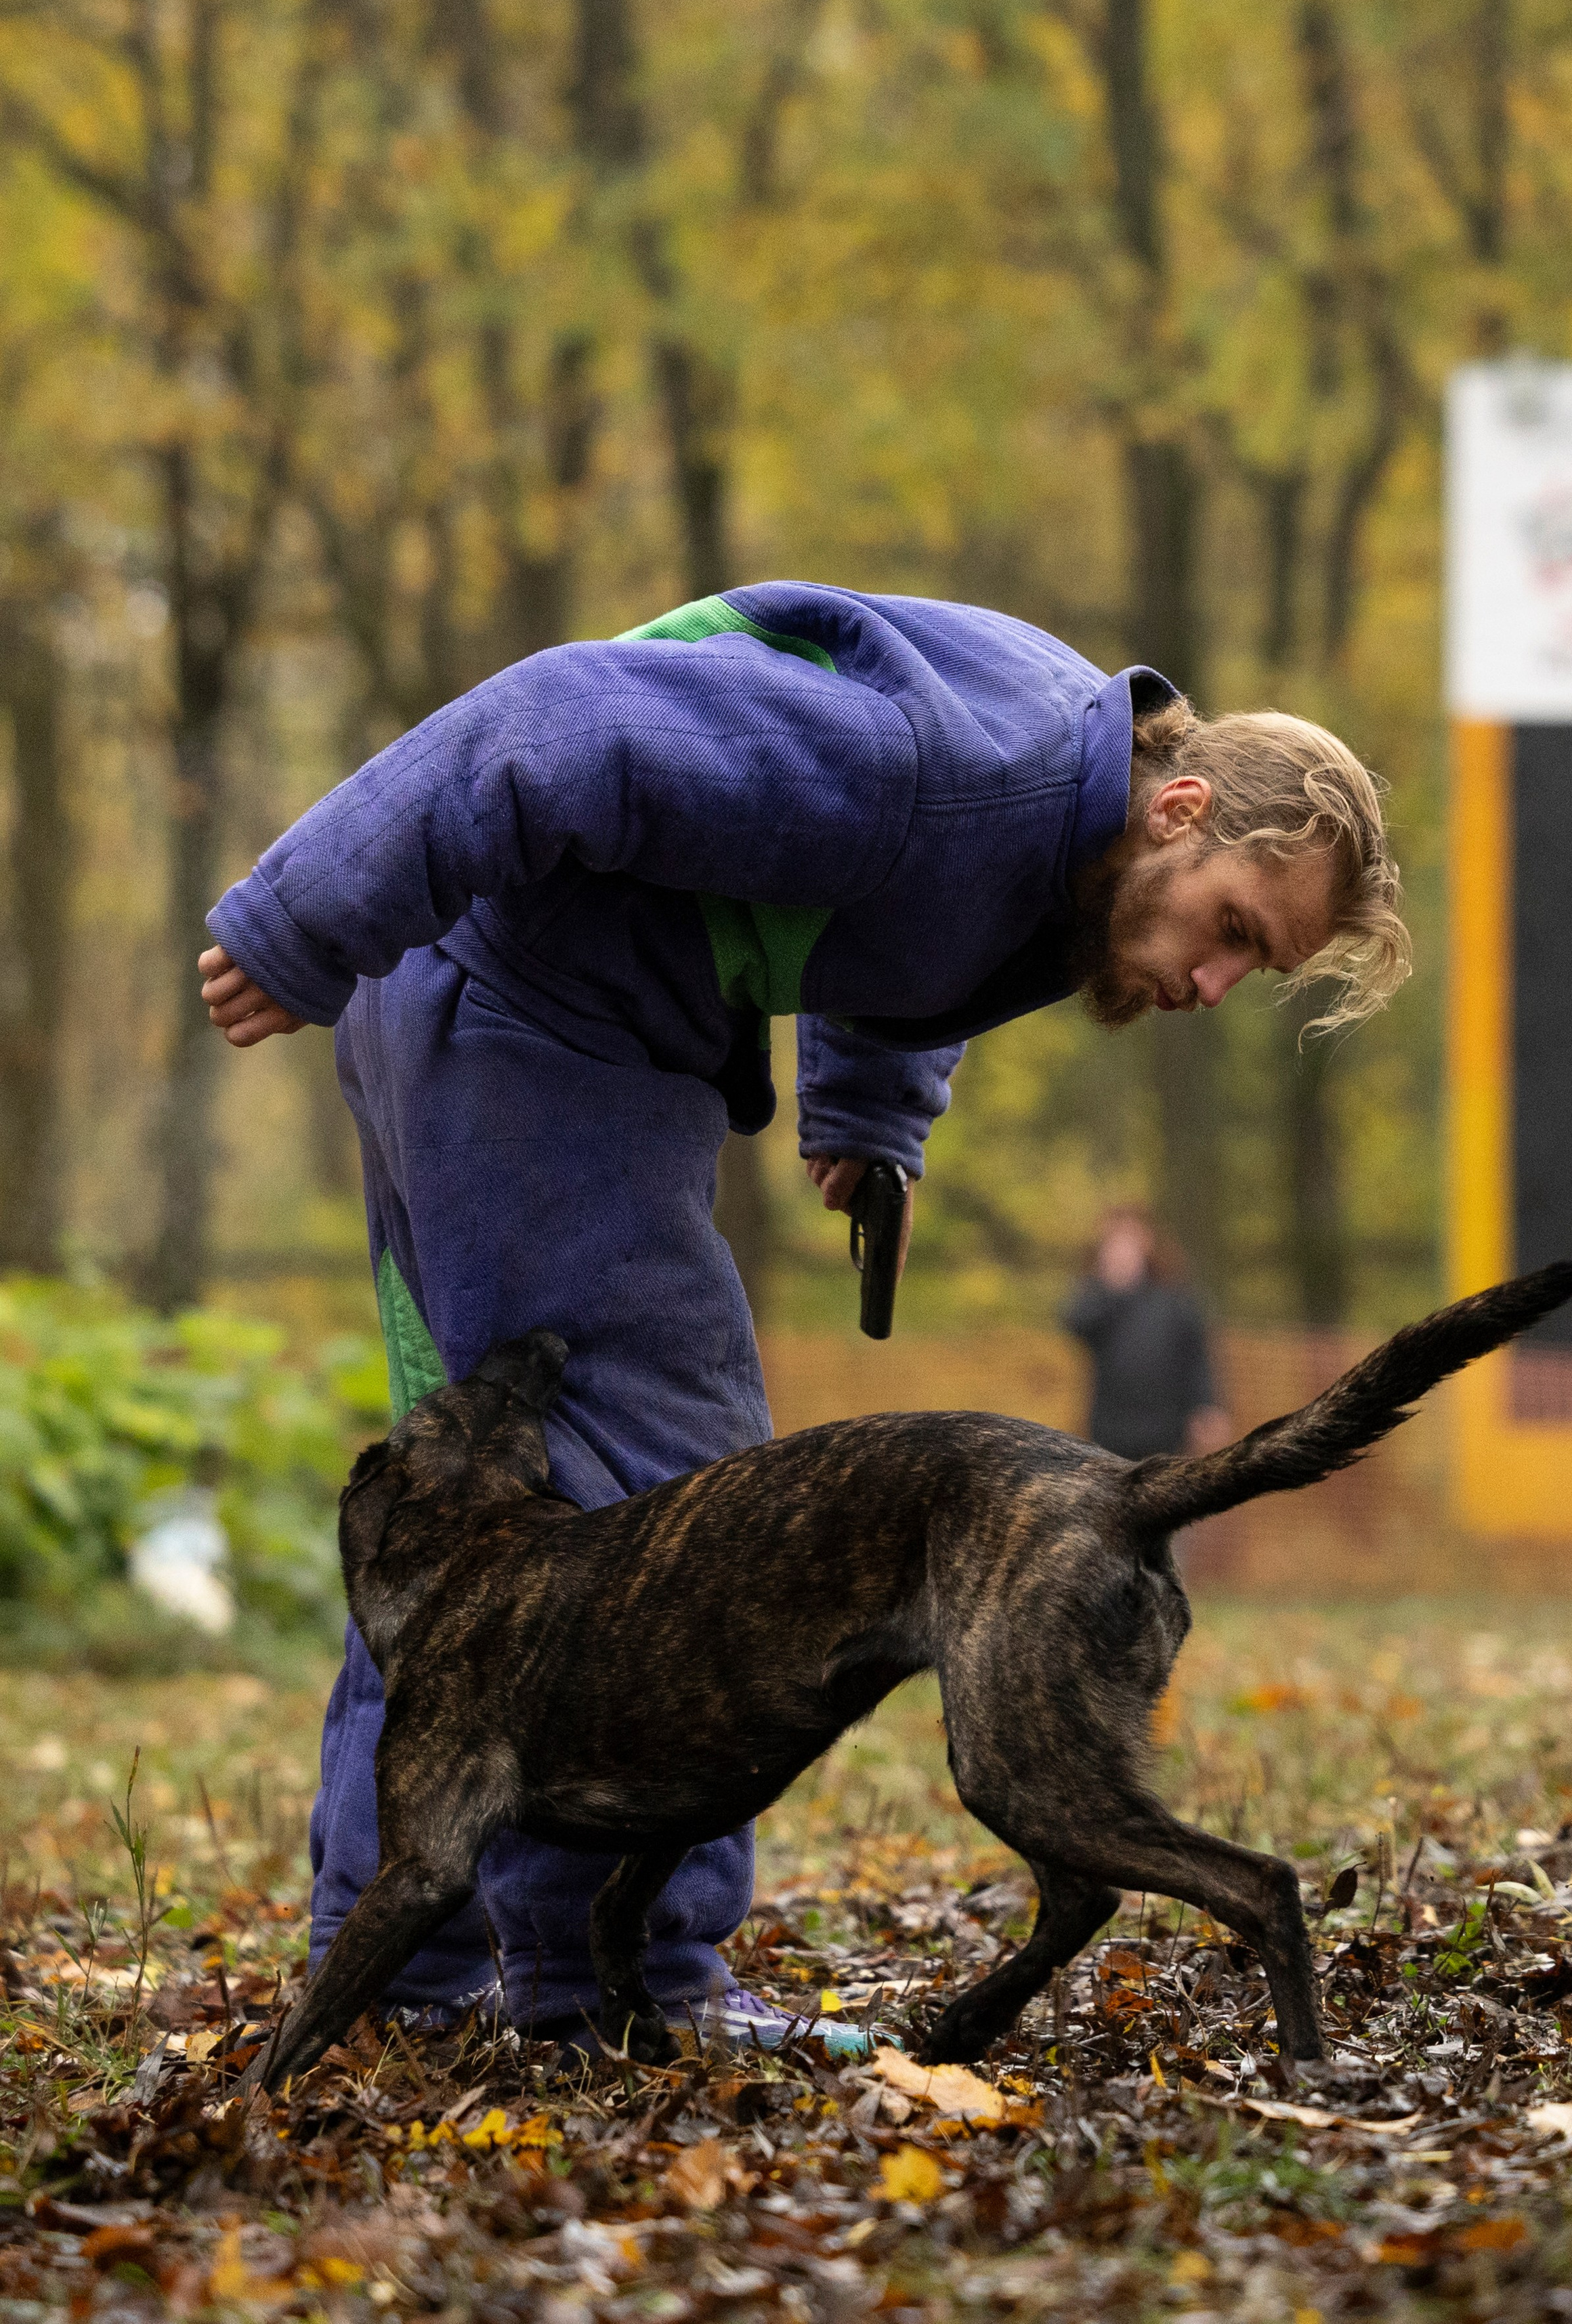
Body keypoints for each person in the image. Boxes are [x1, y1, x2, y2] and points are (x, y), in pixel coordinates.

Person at [197, 578, 1409, 2050]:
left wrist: (871, 1107)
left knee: (472, 1541)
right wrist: (301, 919)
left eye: (1251, 969)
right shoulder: (947, 777)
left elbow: (901, 924)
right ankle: (623, 1988)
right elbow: (555, 721)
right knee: (683, 1502)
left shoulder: (1074, 825)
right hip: (508, 1012)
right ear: (1183, 810)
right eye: (1229, 930)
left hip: (579, 1025)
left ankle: (405, 1989)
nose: (1213, 984)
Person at [1064, 1208, 1233, 1462]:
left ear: (1147, 1243)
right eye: (1114, 1243)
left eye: (1129, 1241)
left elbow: (1196, 1357)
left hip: (1167, 1433)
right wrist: (1111, 1287)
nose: (1122, 1250)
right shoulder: (1098, 1296)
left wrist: (1208, 1405)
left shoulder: (1175, 1298)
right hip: (1109, 1433)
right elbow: (1076, 1324)